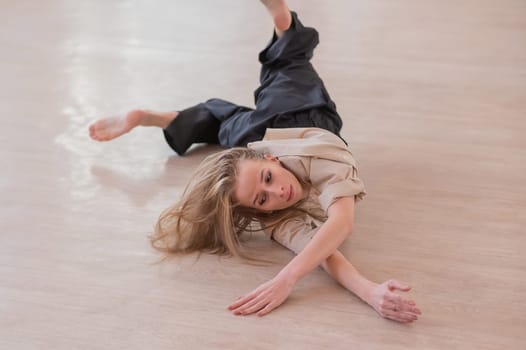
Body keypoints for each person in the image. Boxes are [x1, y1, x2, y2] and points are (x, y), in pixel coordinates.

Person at [89, 0, 422, 323]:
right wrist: (370, 292)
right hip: (254, 133)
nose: (277, 193)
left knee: (291, 71)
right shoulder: (270, 210)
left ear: (270, 158)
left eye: (267, 178)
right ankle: (150, 116)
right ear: (256, 208)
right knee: (228, 123)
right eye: (262, 198)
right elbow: (325, 254)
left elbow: (341, 224)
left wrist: (287, 278)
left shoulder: (323, 160)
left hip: (302, 115)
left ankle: (282, 21)